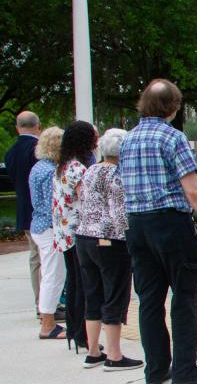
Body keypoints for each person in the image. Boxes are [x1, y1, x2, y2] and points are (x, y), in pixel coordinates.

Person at [119, 78, 197, 384]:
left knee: (149, 298)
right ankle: (185, 368)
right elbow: (193, 190)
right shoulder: (173, 138)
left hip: (137, 225)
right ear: (173, 107)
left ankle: (156, 369)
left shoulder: (127, 141)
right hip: (170, 224)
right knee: (184, 295)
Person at [74, 128, 143, 371]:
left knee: (93, 292)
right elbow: (119, 214)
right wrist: (133, 237)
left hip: (84, 236)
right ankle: (114, 354)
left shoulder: (91, 171)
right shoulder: (117, 174)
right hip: (109, 240)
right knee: (115, 293)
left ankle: (93, 351)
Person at [53, 121, 98, 353]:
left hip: (64, 232)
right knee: (84, 286)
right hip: (79, 231)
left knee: (73, 283)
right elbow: (87, 200)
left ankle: (73, 330)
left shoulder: (62, 166)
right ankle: (83, 334)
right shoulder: (79, 170)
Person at [30, 127, 66, 339]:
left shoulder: (38, 168)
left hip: (39, 225)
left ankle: (48, 321)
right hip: (50, 228)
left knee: (50, 274)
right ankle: (47, 324)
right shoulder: (51, 171)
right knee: (54, 275)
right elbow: (54, 204)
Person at [5, 111, 41, 311]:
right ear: (38, 126)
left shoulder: (10, 153)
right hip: (41, 212)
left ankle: (40, 301)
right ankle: (45, 304)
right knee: (46, 258)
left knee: (35, 257)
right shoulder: (38, 150)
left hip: (24, 211)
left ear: (18, 128)